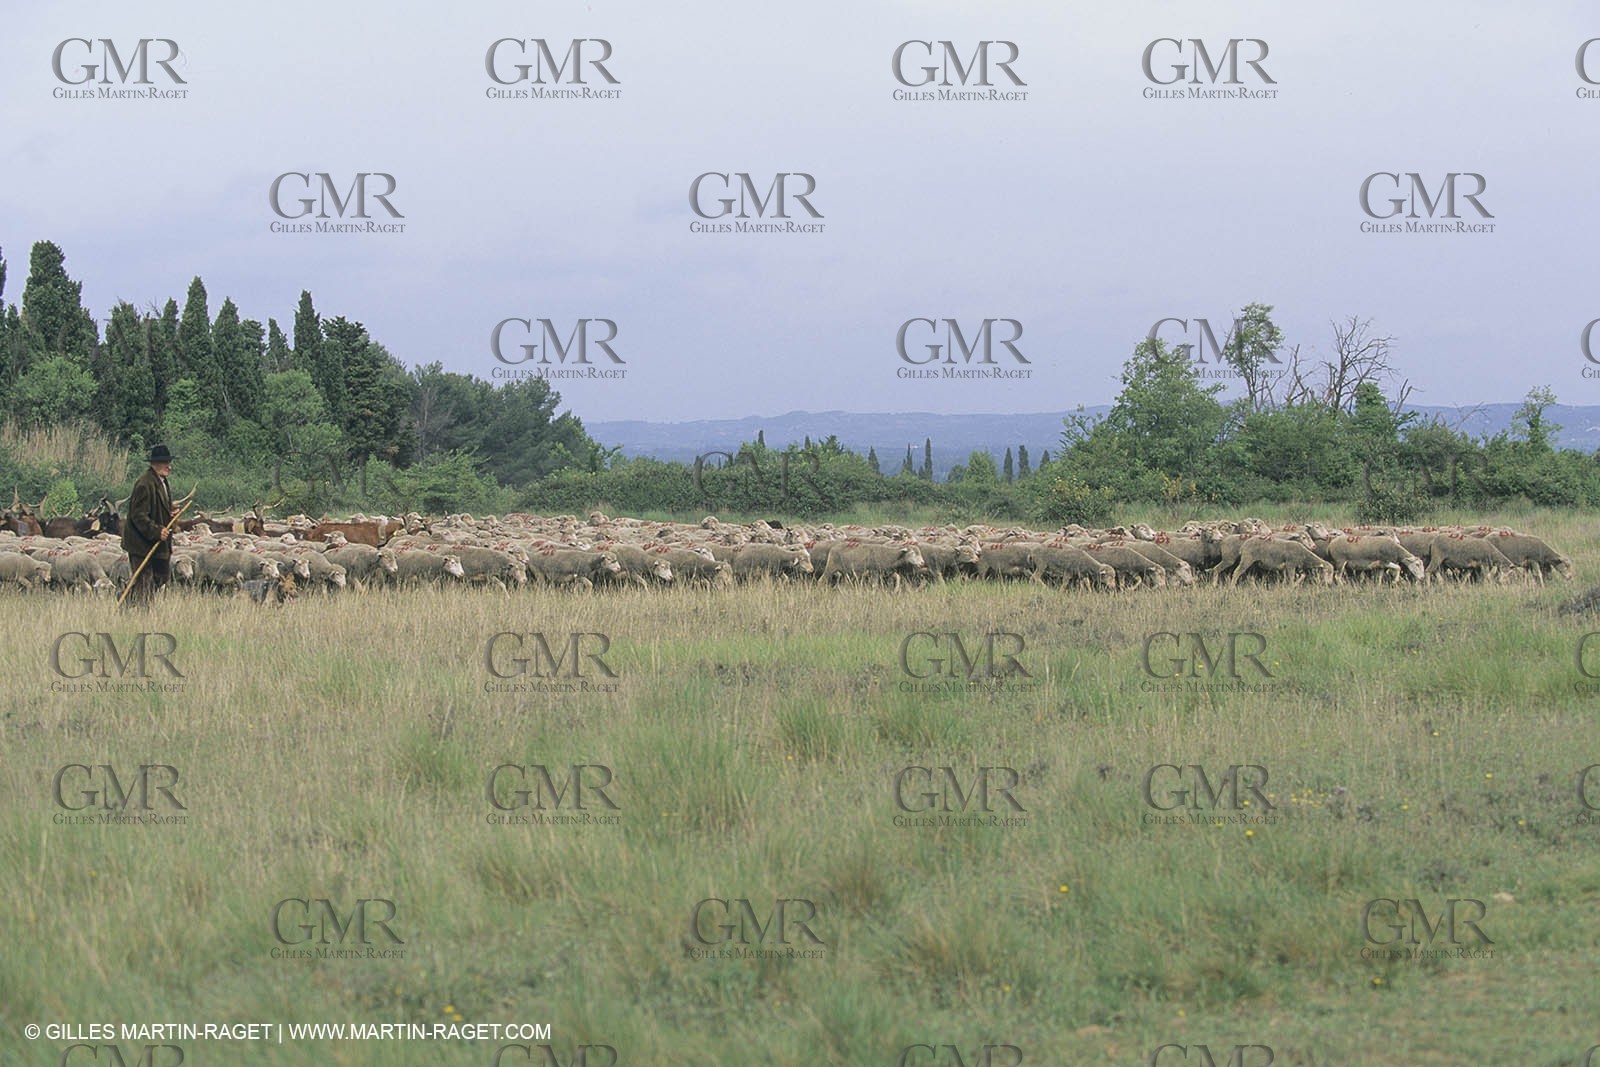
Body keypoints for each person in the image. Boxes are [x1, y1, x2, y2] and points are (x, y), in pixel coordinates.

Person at [121, 444, 179, 607]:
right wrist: (156, 530)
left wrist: (169, 513)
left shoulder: (162, 481)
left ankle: (127, 599)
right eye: (164, 462)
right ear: (154, 464)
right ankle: (142, 614)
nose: (169, 466)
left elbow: (155, 508)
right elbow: (138, 515)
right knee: (144, 580)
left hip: (157, 542)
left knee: (161, 576)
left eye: (169, 462)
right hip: (141, 543)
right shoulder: (144, 484)